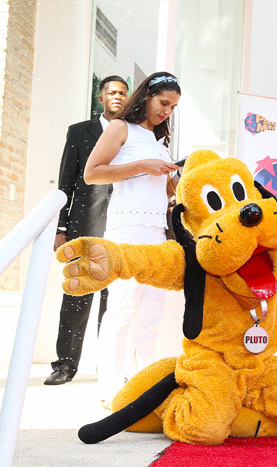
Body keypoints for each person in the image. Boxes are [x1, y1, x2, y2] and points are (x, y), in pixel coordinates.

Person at [84, 71, 181, 406]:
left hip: (156, 233)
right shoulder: (120, 128)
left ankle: (144, 390)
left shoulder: (161, 141)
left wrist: (173, 181)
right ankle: (109, 390)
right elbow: (92, 172)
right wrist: (143, 165)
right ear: (147, 96)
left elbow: (159, 188)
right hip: (127, 231)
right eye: (163, 103)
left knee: (151, 313)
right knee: (122, 310)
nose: (167, 111)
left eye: (173, 107)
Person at [45, 75, 129, 385]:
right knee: (78, 295)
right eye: (112, 92)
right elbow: (65, 182)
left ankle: (108, 368)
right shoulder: (80, 132)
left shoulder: (133, 134)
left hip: (121, 225)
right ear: (101, 98)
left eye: (122, 93)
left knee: (115, 300)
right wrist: (61, 227)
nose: (117, 97)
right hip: (85, 225)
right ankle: (65, 365)